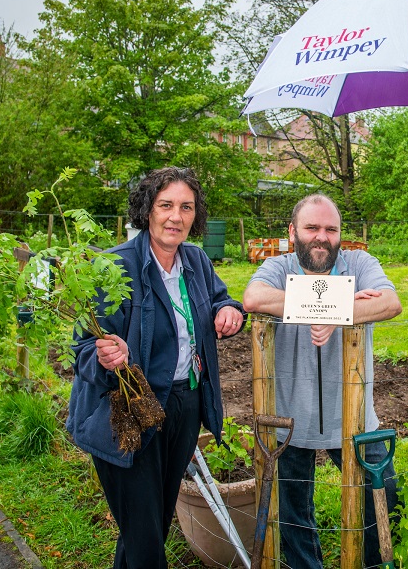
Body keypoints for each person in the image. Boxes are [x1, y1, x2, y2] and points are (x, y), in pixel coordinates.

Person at [66, 167, 246, 568]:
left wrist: (229, 310)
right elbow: (80, 350)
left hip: (183, 406)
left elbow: (220, 298)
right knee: (145, 535)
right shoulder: (114, 267)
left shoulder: (196, 261)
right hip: (128, 410)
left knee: (152, 524)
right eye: (165, 205)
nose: (175, 217)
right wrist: (104, 356)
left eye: (186, 207)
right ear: (147, 209)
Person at [242, 194, 402, 568]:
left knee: (382, 500)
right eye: (312, 228)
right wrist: (336, 302)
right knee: (294, 516)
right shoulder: (277, 267)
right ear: (293, 231)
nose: (321, 237)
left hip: (356, 417)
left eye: (331, 230)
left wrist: (338, 311)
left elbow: (391, 303)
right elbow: (252, 298)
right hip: (289, 420)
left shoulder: (359, 263)